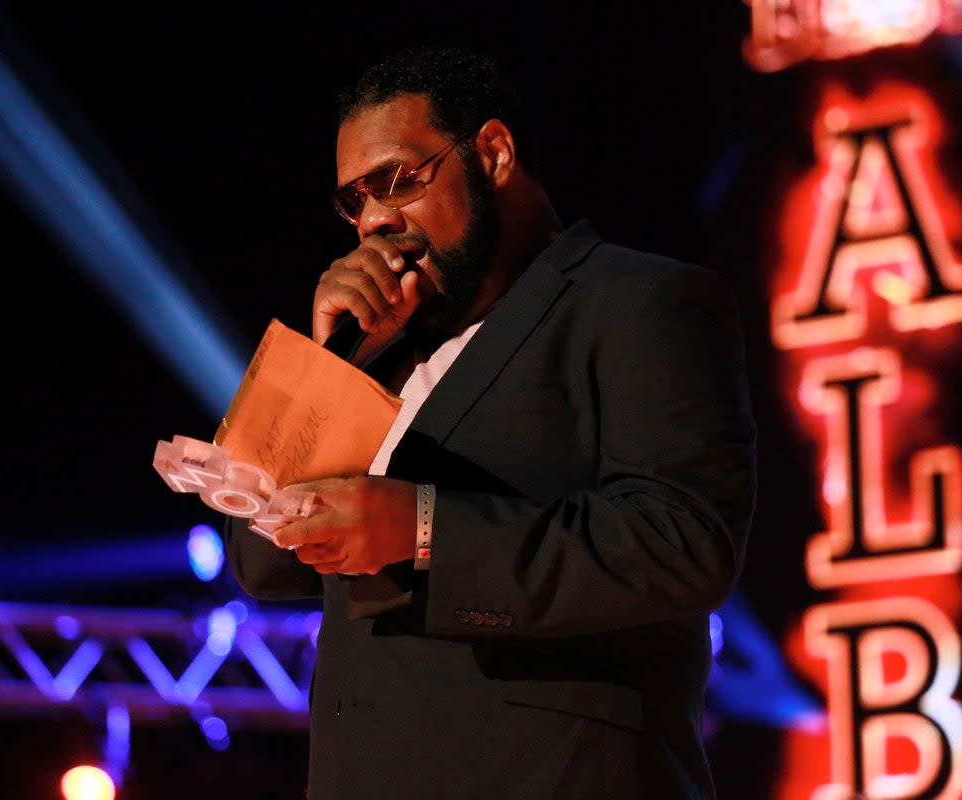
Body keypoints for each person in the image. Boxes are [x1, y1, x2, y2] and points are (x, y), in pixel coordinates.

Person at [223, 45, 757, 799]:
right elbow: (262, 563)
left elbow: (683, 545)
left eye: (398, 181)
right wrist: (324, 367)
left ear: (495, 154)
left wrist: (422, 529)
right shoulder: (375, 353)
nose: (375, 219)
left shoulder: (641, 301)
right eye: (354, 200)